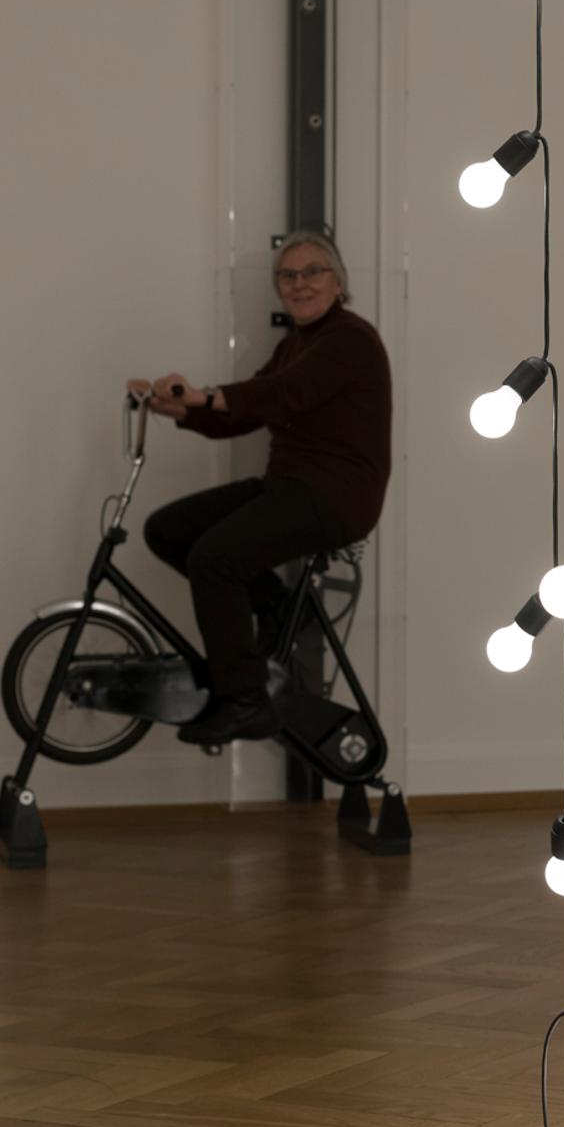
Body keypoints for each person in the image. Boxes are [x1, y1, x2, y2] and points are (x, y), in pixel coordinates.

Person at [130, 229, 392, 746]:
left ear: (338, 282)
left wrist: (205, 395)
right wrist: (179, 408)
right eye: (287, 276)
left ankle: (245, 700)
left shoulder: (350, 339)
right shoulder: (294, 344)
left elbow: (282, 394)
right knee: (168, 530)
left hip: (336, 496)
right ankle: (272, 608)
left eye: (312, 272)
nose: (299, 284)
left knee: (215, 558)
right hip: (290, 487)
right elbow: (248, 413)